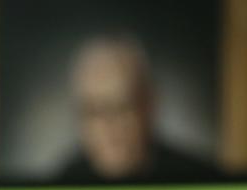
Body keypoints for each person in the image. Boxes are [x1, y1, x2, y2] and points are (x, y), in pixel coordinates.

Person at [58, 36, 215, 182]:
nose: (109, 124)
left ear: (149, 105)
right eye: (94, 110)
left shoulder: (204, 183)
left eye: (122, 106)